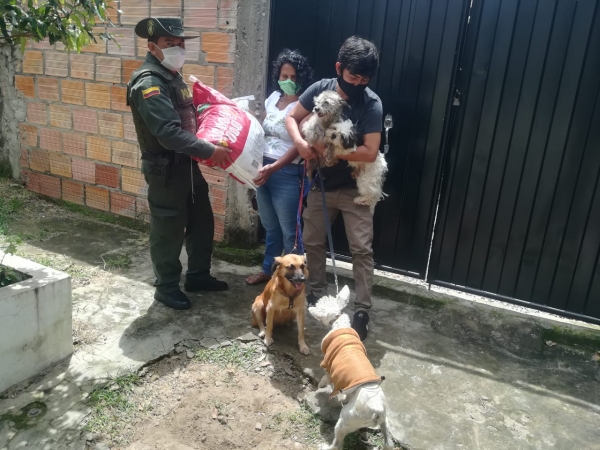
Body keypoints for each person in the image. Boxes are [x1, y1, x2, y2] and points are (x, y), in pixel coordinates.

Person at [127, 17, 232, 310]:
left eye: (180, 44)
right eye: (169, 44)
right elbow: (168, 133)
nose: (177, 48)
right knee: (168, 229)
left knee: (202, 221)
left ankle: (198, 276)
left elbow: (187, 118)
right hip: (165, 169)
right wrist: (210, 150)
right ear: (152, 47)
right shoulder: (149, 83)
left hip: (186, 164)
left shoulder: (172, 75)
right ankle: (166, 286)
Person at [286, 36, 383, 341]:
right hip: (321, 186)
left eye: (365, 78)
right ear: (339, 68)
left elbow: (369, 152)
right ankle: (316, 295)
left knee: (361, 250)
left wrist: (331, 151)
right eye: (353, 76)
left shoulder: (371, 103)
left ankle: (362, 310)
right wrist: (302, 144)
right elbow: (292, 117)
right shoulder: (320, 90)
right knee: (313, 242)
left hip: (357, 189)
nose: (359, 83)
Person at [245, 49, 314, 285]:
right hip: (262, 169)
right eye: (284, 76)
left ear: (301, 79)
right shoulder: (274, 98)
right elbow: (260, 127)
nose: (288, 82)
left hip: (286, 172)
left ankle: (296, 281)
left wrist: (274, 167)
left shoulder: (305, 105)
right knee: (270, 227)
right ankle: (269, 272)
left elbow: (299, 145)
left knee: (290, 233)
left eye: (293, 78)